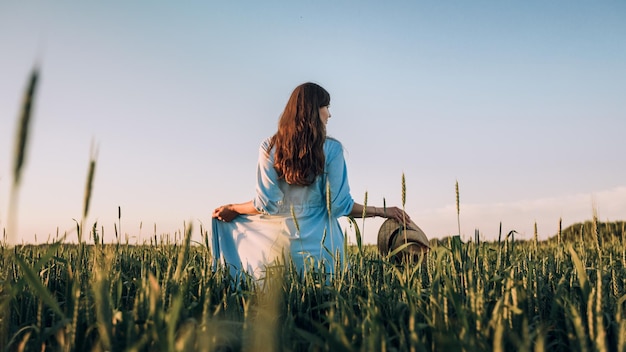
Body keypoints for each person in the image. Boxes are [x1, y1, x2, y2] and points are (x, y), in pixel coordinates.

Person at [211, 82, 411, 281]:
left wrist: (234, 208)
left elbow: (266, 204)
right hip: (326, 253)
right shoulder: (332, 149)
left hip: (282, 252)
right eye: (327, 107)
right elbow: (340, 206)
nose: (329, 115)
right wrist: (383, 211)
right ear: (314, 110)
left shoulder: (269, 147)